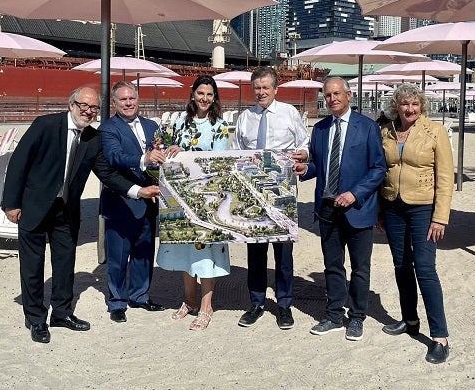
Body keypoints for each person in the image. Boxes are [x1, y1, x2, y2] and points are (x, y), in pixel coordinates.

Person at [1, 86, 159, 344]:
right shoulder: (45, 125)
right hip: (34, 206)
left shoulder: (93, 139)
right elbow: (19, 162)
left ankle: (62, 313)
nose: (88, 111)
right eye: (84, 105)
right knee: (33, 266)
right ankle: (36, 318)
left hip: (66, 210)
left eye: (94, 108)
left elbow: (107, 174)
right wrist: (11, 204)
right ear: (71, 104)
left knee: (65, 264)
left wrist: (138, 191)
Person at [295, 77, 387, 341]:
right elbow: (319, 166)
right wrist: (305, 170)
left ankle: (357, 317)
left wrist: (354, 194)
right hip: (327, 209)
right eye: (327, 95)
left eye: (337, 94)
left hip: (358, 208)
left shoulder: (367, 127)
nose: (332, 99)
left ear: (348, 96)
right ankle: (334, 314)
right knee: (332, 266)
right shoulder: (321, 128)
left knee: (360, 267)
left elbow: (378, 168)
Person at [377, 83, 454, 364]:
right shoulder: (385, 132)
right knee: (401, 265)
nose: (410, 109)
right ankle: (410, 319)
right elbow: (381, 171)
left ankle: (440, 337)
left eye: (415, 104)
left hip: (423, 208)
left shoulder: (435, 132)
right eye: (404, 104)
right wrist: (379, 211)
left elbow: (446, 178)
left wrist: (440, 217)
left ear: (422, 106)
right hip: (393, 206)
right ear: (395, 105)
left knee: (424, 268)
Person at [232, 66, 309, 330]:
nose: (261, 92)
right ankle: (256, 303)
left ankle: (285, 305)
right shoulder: (245, 117)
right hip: (252, 193)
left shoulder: (289, 113)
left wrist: (303, 155)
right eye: (257, 88)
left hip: (282, 191)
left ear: (275, 89)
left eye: (266, 87)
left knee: (283, 252)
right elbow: (236, 152)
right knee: (255, 250)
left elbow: (304, 142)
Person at [156, 76, 230, 331]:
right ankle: (189, 300)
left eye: (210, 94)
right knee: (184, 248)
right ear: (192, 94)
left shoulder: (218, 126)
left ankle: (207, 305)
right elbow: (161, 149)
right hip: (179, 195)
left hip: (206, 196)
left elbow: (216, 162)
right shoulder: (178, 122)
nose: (205, 99)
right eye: (201, 93)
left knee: (206, 250)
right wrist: (169, 148)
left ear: (214, 97)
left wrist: (184, 152)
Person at [99, 80, 169, 323]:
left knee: (144, 251)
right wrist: (144, 158)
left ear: (138, 99)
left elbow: (163, 150)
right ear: (115, 103)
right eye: (123, 100)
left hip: (150, 200)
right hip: (122, 201)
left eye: (132, 99)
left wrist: (171, 151)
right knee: (118, 256)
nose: (128, 103)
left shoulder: (152, 126)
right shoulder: (108, 129)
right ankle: (117, 302)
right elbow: (114, 157)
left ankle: (140, 295)